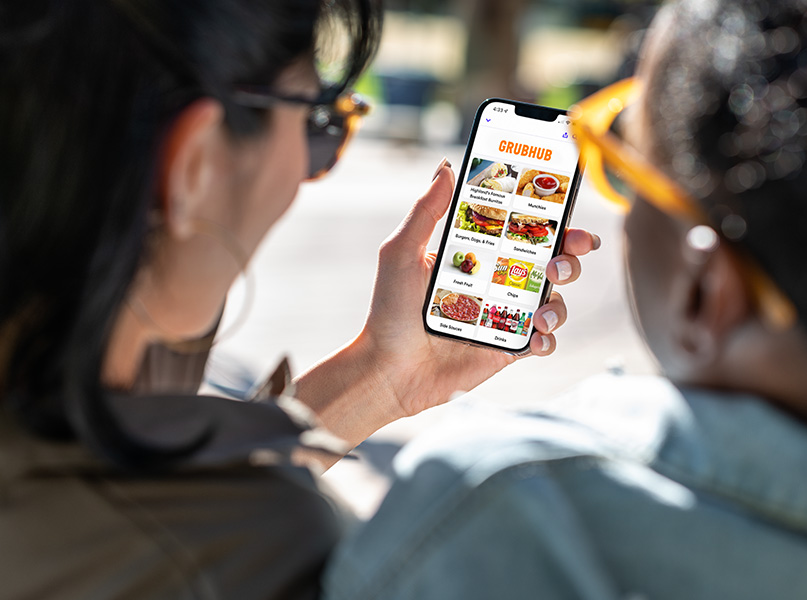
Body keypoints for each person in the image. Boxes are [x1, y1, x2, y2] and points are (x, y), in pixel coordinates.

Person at [0, 1, 600, 598]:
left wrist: (382, 374)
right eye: (321, 124)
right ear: (196, 165)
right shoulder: (263, 545)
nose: (312, 172)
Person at [322, 0, 807, 598]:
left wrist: (371, 381)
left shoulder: (506, 508)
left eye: (620, 156)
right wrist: (387, 374)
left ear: (704, 292)